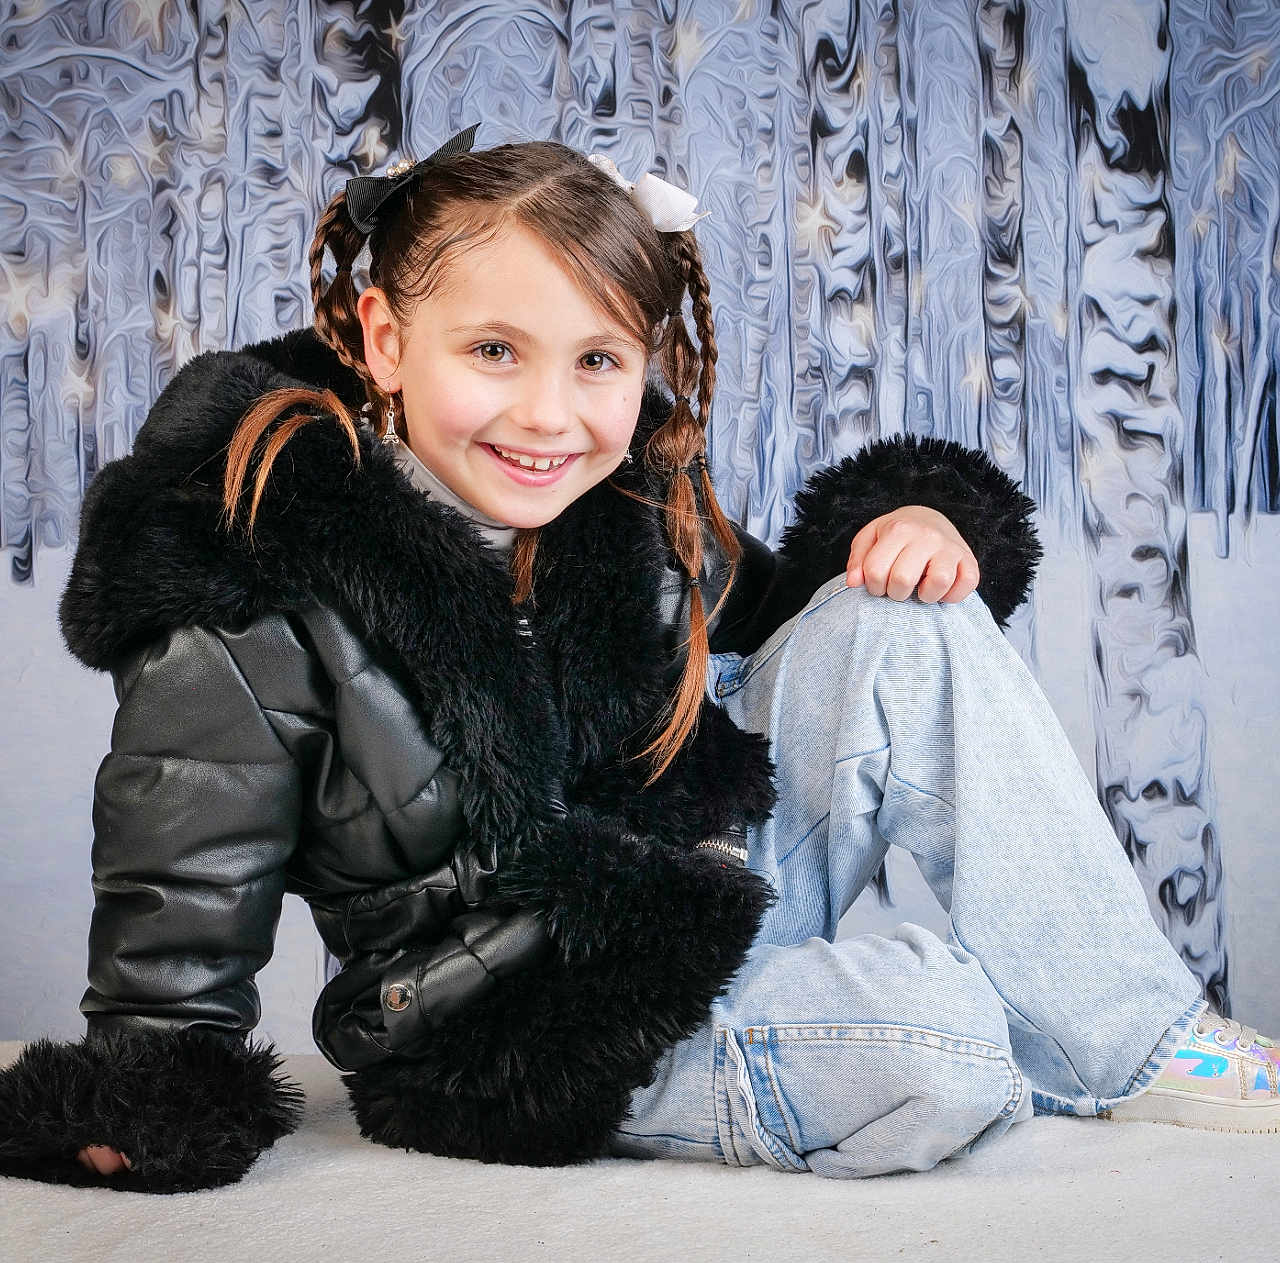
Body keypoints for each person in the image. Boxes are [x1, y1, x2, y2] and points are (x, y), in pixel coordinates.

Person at [2, 124, 1275, 1194]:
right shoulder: (256, 553)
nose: (550, 415)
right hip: (525, 1017)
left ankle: (1143, 1039)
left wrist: (920, 532)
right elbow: (186, 849)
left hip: (710, 885)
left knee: (908, 618)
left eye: (598, 361)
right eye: (493, 351)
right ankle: (963, 1019)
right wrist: (154, 1079)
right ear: (387, 343)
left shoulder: (635, 505)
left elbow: (807, 638)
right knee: (937, 1038)